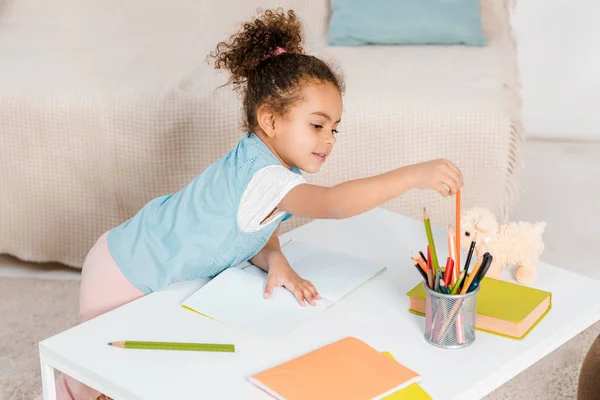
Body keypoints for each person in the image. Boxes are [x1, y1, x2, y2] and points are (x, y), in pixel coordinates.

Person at [46, 8, 463, 400]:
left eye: (335, 128)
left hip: (130, 254)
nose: (330, 139)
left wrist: (274, 257)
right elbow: (334, 204)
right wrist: (412, 175)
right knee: (96, 374)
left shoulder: (264, 164)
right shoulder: (266, 177)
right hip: (124, 273)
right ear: (270, 120)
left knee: (135, 370)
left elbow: (253, 220)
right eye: (317, 125)